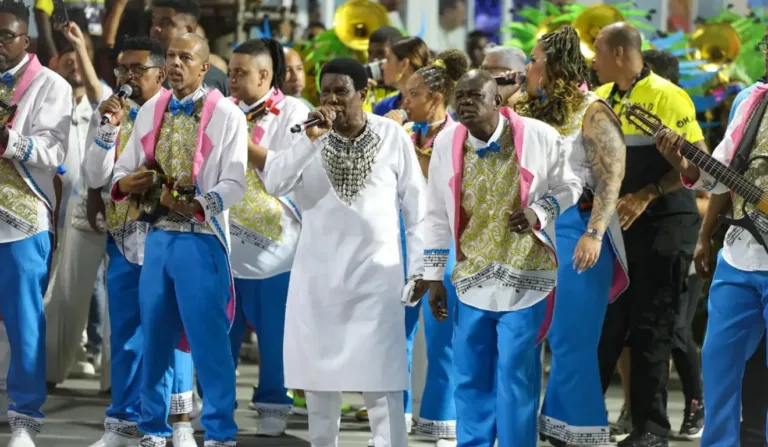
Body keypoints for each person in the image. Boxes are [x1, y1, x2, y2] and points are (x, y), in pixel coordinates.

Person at [262, 57, 426, 447]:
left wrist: (420, 268)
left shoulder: (392, 135)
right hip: (318, 278)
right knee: (319, 379)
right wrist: (309, 141)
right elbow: (274, 182)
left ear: (364, 94)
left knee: (382, 377)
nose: (332, 100)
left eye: (341, 91)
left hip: (377, 278)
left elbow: (417, 208)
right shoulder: (306, 135)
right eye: (326, 92)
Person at [424, 69, 582, 447]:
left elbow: (572, 184)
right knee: (470, 374)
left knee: (515, 373)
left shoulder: (539, 135)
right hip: (472, 275)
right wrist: (433, 276)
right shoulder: (447, 141)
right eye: (460, 96)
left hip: (526, 274)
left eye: (474, 96)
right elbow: (435, 212)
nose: (464, 103)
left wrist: (538, 212)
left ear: (497, 100)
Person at [109, 33, 247, 447]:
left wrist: (196, 205)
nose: (174, 63)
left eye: (185, 57)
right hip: (157, 238)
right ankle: (154, 429)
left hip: (201, 239)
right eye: (170, 56)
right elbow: (121, 170)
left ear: (204, 67)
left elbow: (235, 183)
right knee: (155, 338)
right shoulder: (152, 108)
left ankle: (220, 433)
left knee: (209, 344)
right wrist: (128, 183)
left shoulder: (227, 114)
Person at [499, 26, 628, 446]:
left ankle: (574, 431)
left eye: (534, 60)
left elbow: (611, 178)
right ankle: (519, 430)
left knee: (572, 339)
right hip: (528, 231)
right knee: (523, 337)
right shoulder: (522, 107)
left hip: (578, 229)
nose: (527, 67)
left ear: (555, 67)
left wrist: (594, 233)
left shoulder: (593, 111)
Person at [592, 22, 707, 447]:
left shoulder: (667, 95)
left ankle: (652, 429)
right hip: (616, 227)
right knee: (608, 326)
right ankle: (584, 421)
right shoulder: (600, 97)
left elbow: (698, 166)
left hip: (666, 223)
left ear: (619, 53)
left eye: (598, 53)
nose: (593, 62)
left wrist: (650, 191)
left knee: (652, 327)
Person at [81, 36, 196, 447]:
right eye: (122, 69)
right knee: (126, 334)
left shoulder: (178, 112)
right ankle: (121, 424)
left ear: (160, 74)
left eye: (136, 69)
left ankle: (178, 424)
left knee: (173, 332)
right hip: (124, 238)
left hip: (170, 236)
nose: (127, 77)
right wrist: (107, 130)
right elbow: (95, 176)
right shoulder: (110, 112)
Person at [654, 81, 768, 446]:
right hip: (740, 254)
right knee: (718, 363)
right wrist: (683, 164)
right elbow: (724, 175)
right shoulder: (751, 100)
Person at [214, 37, 307, 437]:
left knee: (275, 337)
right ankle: (217, 404)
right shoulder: (223, 109)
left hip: (276, 248)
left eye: (241, 73)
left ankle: (274, 403)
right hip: (225, 242)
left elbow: (287, 169)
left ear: (265, 75)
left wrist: (239, 137)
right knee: (221, 333)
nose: (232, 79)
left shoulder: (295, 112)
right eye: (230, 72)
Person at [384, 49, 467, 447]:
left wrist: (400, 141)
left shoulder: (457, 134)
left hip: (441, 245)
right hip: (399, 242)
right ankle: (393, 420)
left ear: (435, 97)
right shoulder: (403, 130)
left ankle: (441, 420)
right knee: (394, 336)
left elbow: (441, 180)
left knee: (441, 337)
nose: (406, 101)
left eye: (413, 94)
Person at [0, 0, 72, 444]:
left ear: (25, 39)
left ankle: (25, 419)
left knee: (24, 322)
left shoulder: (50, 85)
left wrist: (7, 140)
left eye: (5, 36)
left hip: (22, 220)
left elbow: (55, 151)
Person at [44, 20, 112, 385]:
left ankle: (113, 378)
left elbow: (97, 91)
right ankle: (50, 369)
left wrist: (81, 47)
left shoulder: (115, 101)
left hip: (119, 212)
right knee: (65, 293)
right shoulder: (48, 98)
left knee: (115, 295)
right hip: (75, 209)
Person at [150, 0, 229, 96]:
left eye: (166, 23)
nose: (156, 28)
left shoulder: (212, 80)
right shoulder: (145, 73)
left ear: (188, 30)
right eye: (154, 22)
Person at [376, 36, 430, 117]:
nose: (382, 66)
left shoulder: (431, 108)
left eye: (388, 59)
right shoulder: (383, 107)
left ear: (404, 64)